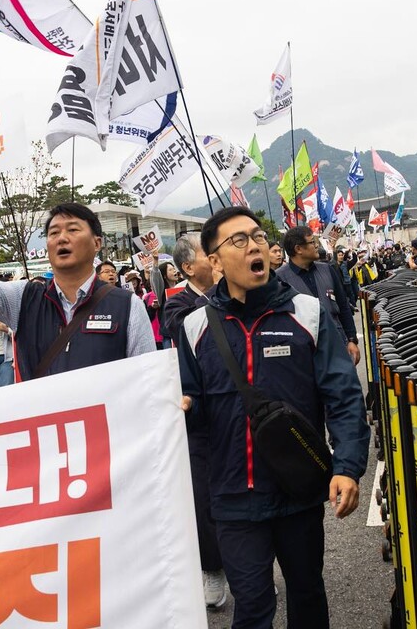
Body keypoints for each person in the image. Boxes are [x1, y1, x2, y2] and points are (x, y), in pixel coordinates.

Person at [177, 206, 370, 629]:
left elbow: (343, 396)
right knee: (253, 604)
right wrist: (181, 408)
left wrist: (348, 467)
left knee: (306, 593)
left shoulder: (307, 313)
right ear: (214, 262)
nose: (254, 245)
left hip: (297, 488)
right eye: (239, 240)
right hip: (231, 499)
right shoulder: (194, 326)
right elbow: (189, 407)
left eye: (258, 236)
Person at [0, 167, 156, 381]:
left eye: (73, 230)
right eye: (54, 232)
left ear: (97, 243)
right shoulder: (24, 298)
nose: (62, 238)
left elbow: (148, 380)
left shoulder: (127, 305)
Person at [162, 233, 226, 607]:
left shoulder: (236, 292)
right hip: (198, 413)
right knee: (203, 497)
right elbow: (186, 330)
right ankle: (212, 570)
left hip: (237, 409)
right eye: (207, 252)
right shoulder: (178, 305)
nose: (216, 256)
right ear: (188, 267)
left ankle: (252, 569)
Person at [277, 226, 360, 364]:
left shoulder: (327, 270)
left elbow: (343, 306)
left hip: (337, 343)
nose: (316, 246)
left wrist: (351, 339)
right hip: (304, 352)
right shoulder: (279, 278)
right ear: (298, 249)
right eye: (312, 242)